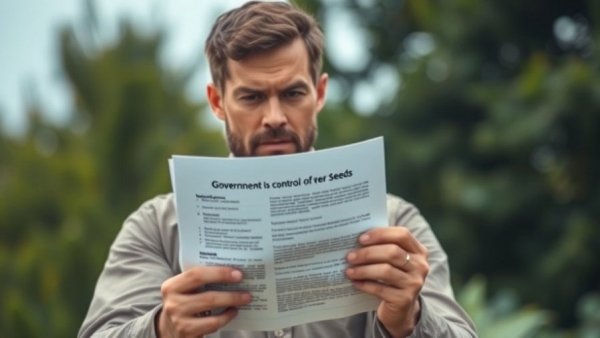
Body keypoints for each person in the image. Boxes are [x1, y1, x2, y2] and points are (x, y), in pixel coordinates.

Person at [78, 1, 477, 337]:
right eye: (252, 97)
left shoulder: (395, 222)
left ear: (319, 93)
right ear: (217, 102)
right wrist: (160, 329)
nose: (274, 117)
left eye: (292, 93)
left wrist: (408, 320)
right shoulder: (157, 227)